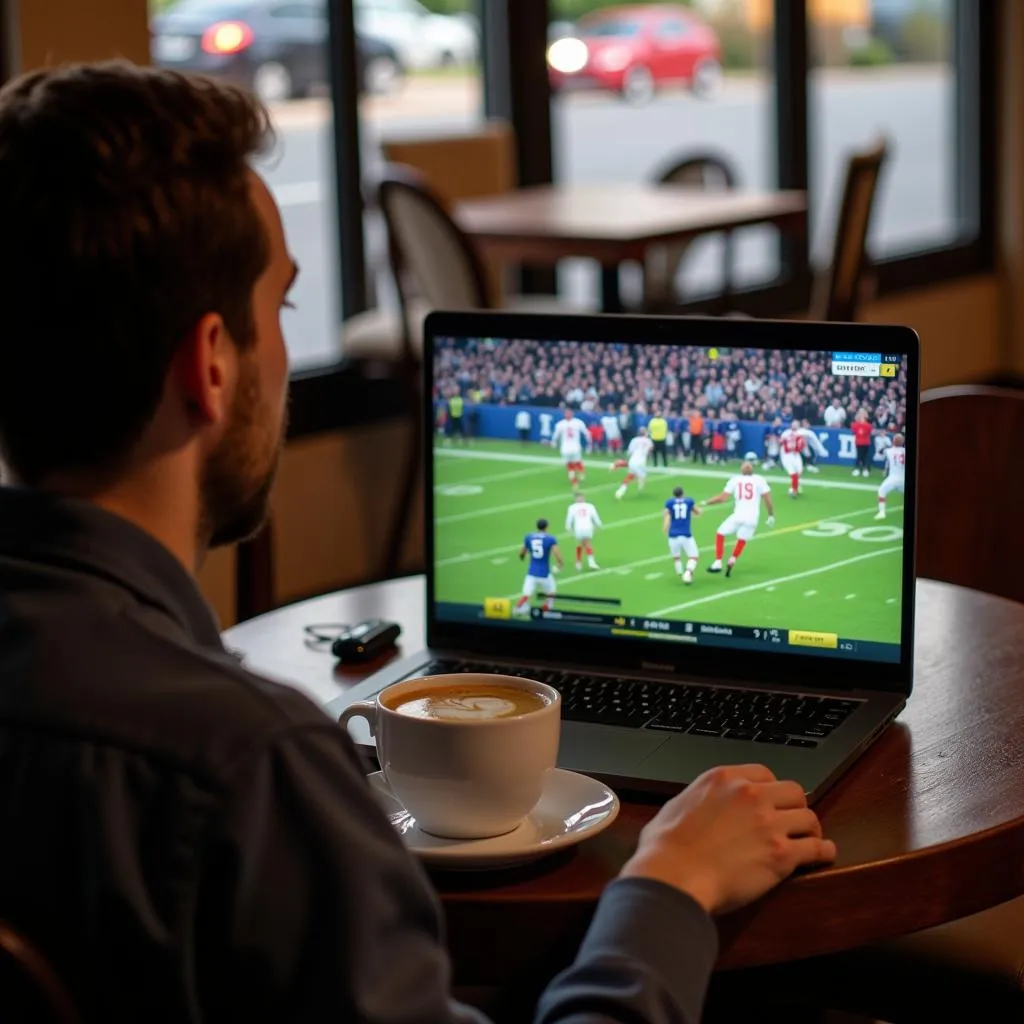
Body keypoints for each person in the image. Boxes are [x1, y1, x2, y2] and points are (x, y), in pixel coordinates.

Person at [0, 63, 836, 1024]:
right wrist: (668, 892)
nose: (284, 349)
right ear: (212, 364)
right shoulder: (248, 770)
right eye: (283, 309)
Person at [703, 462, 775, 577]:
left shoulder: (735, 480)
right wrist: (771, 515)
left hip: (739, 515)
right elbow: (767, 500)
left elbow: (722, 498)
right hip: (752, 518)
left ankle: (718, 562)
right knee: (742, 539)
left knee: (720, 533)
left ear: (741, 470)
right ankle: (732, 559)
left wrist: (706, 502)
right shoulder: (760, 480)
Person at [515, 518, 563, 614]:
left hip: (531, 572)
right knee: (551, 594)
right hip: (544, 573)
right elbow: (556, 553)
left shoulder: (529, 537)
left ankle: (516, 609)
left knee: (526, 595)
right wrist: (560, 563)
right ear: (547, 527)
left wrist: (522, 557)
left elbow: (522, 553)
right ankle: (545, 611)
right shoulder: (550, 539)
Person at [664, 485, 702, 584]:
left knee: (676, 556)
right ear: (683, 493)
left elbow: (666, 515)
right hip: (686, 534)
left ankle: (680, 572)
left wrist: (665, 528)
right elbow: (698, 512)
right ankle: (688, 573)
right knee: (694, 556)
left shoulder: (669, 502)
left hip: (673, 535)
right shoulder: (689, 501)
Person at [551, 407, 590, 491]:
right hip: (565, 447)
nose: (568, 415)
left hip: (575, 446)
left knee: (577, 461)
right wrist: (553, 442)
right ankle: (573, 476)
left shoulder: (578, 422)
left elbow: (586, 432)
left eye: (569, 413)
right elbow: (556, 434)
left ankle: (579, 474)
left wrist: (589, 443)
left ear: (572, 414)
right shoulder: (560, 424)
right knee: (569, 462)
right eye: (566, 413)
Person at [610, 426, 653, 499]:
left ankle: (620, 491)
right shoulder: (648, 440)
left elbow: (629, 452)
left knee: (630, 476)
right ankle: (640, 487)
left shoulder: (634, 440)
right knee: (642, 476)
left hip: (633, 460)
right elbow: (650, 449)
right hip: (641, 461)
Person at [566, 493, 602, 570]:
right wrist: (598, 524)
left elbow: (569, 518)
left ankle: (579, 562)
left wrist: (568, 527)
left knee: (580, 544)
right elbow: (595, 516)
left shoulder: (572, 507)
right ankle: (590, 562)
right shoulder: (590, 506)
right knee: (586, 543)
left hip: (578, 528)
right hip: (588, 527)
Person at [876, 433, 906, 519]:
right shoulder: (904, 451)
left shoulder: (889, 451)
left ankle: (882, 512)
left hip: (893, 478)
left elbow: (880, 451)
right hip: (903, 478)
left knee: (881, 491)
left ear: (893, 441)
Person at [852, 408, 874, 476]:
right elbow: (854, 431)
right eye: (860, 414)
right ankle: (857, 469)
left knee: (865, 456)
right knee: (859, 456)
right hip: (858, 442)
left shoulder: (868, 425)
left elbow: (869, 431)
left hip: (866, 442)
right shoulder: (855, 424)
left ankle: (865, 469)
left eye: (863, 414)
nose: (861, 415)